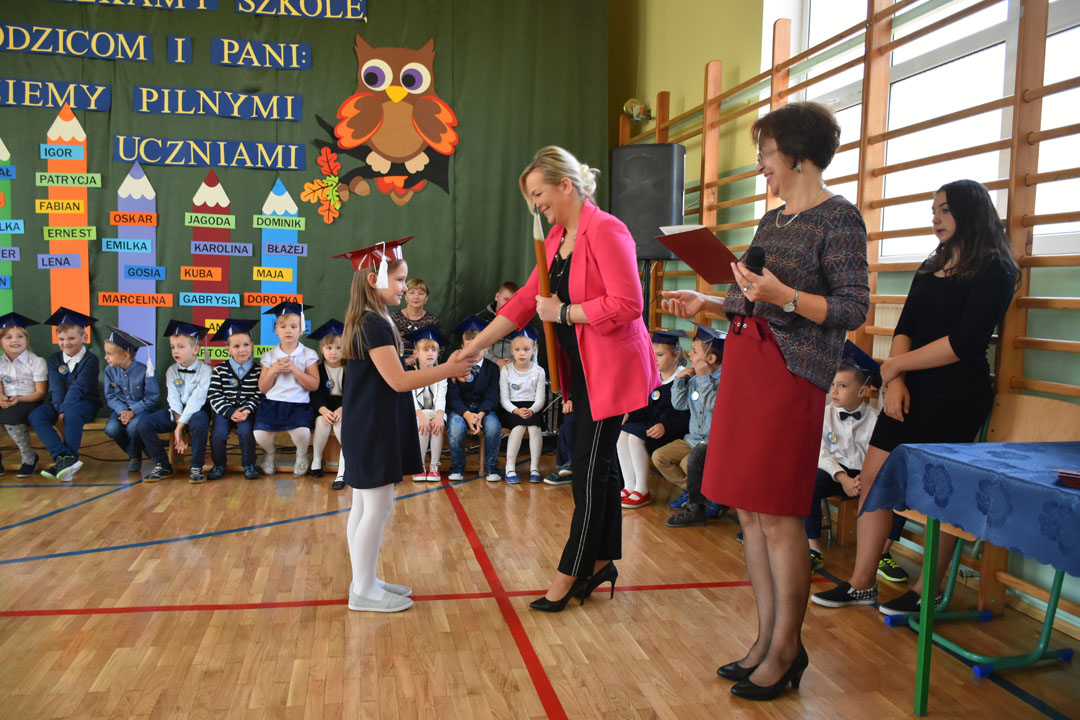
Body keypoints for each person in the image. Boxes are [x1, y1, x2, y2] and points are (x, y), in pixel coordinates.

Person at [662, 102, 869, 700]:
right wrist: (707, 302)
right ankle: (765, 639)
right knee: (750, 514)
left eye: (766, 154)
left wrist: (786, 296)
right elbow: (751, 295)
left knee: (779, 517)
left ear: (798, 155)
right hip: (748, 364)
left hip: (791, 376)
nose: (761, 167)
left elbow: (853, 307)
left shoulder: (839, 217)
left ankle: (787, 648)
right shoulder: (773, 220)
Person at [463, 145, 659, 612]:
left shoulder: (607, 230)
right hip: (582, 370)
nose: (536, 206)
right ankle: (601, 562)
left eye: (539, 195)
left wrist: (566, 312)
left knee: (587, 472)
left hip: (612, 371)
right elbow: (526, 301)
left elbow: (629, 304)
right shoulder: (556, 238)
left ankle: (570, 571)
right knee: (601, 469)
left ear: (565, 185)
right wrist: (475, 347)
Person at [812, 179, 1018, 616]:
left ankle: (929, 589)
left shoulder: (996, 268)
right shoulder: (930, 266)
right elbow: (905, 327)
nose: (935, 218)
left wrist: (896, 367)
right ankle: (862, 583)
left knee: (941, 494)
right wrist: (897, 381)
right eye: (933, 210)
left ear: (970, 212)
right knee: (874, 481)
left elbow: (964, 342)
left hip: (957, 394)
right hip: (909, 389)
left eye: (944, 209)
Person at [335, 239, 475, 612]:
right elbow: (398, 381)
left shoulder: (375, 319)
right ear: (373, 280)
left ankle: (364, 580)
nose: (404, 287)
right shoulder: (372, 323)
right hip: (372, 427)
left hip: (371, 423)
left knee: (364, 506)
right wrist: (448, 369)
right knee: (376, 508)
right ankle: (363, 590)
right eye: (399, 280)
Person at [806, 345, 907, 579]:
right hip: (835, 472)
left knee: (900, 492)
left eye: (842, 386)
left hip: (866, 473)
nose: (834, 391)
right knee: (808, 482)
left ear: (863, 391)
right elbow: (820, 453)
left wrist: (864, 478)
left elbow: (882, 455)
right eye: (833, 384)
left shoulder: (875, 420)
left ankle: (882, 553)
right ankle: (813, 548)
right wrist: (843, 478)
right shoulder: (824, 414)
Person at [650, 324, 722, 512]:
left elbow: (712, 405)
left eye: (695, 352)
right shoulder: (695, 378)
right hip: (693, 440)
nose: (689, 354)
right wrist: (679, 380)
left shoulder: (723, 381)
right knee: (660, 457)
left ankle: (714, 497)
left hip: (712, 443)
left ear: (711, 359)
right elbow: (679, 404)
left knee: (686, 463)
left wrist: (704, 378)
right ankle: (693, 492)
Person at [617, 329, 690, 508]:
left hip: (672, 432)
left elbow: (688, 417)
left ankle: (642, 490)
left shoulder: (684, 380)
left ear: (676, 355)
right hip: (653, 426)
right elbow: (648, 408)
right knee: (622, 434)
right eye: (652, 353)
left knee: (635, 438)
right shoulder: (654, 377)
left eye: (660, 355)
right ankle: (629, 485)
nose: (654, 359)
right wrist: (630, 413)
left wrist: (666, 426)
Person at [29, 307, 101, 482]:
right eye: (61, 339)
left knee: (72, 413)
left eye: (71, 338)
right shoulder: (55, 359)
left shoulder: (90, 359)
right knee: (36, 415)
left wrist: (63, 412)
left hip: (85, 403)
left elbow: (78, 388)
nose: (66, 343)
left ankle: (69, 461)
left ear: (84, 338)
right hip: (58, 402)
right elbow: (56, 388)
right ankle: (63, 458)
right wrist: (60, 410)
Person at [139, 320, 213, 483]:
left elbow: (197, 400)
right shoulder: (172, 370)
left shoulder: (206, 370)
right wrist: (179, 422)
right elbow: (173, 398)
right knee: (144, 424)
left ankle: (196, 466)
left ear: (195, 350)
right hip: (176, 410)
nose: (175, 351)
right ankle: (163, 465)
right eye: (173, 347)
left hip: (198, 410)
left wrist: (180, 427)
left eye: (181, 346)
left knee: (199, 424)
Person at [255, 302, 320, 476]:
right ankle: (270, 453)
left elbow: (314, 385)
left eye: (293, 326)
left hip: (298, 404)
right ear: (276, 329)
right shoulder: (269, 355)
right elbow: (263, 388)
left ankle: (302, 455)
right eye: (283, 326)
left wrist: (294, 369)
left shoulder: (308, 354)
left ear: (301, 329)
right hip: (272, 403)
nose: (288, 331)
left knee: (302, 433)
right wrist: (273, 371)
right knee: (260, 434)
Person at [446, 315, 502, 482]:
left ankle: (491, 467)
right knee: (456, 428)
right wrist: (467, 414)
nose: (473, 352)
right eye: (468, 347)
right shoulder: (455, 367)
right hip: (461, 409)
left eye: (478, 347)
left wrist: (481, 414)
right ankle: (457, 467)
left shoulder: (492, 369)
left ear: (486, 348)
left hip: (484, 410)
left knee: (493, 428)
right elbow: (453, 397)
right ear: (462, 348)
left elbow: (492, 395)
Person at [207, 319, 263, 481]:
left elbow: (259, 394)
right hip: (225, 411)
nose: (242, 350)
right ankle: (219, 464)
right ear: (228, 349)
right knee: (218, 434)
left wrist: (247, 409)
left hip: (246, 412)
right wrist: (230, 411)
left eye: (246, 345)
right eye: (236, 346)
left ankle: (249, 464)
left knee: (246, 433)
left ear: (252, 346)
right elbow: (214, 394)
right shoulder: (220, 370)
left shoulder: (258, 370)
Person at [102, 325, 160, 474]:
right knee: (111, 429)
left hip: (142, 410)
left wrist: (132, 412)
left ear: (125, 356)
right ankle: (135, 452)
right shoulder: (109, 371)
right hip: (121, 410)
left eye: (109, 354)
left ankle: (134, 455)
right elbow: (111, 396)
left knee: (133, 427)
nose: (106, 357)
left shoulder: (145, 371)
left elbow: (152, 398)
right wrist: (122, 411)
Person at [498, 326, 547, 484]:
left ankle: (535, 467)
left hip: (532, 407)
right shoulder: (506, 370)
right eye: (518, 350)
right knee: (518, 428)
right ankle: (510, 467)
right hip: (511, 408)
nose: (522, 353)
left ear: (534, 350)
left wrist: (531, 410)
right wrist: (516, 410)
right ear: (512, 351)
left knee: (534, 428)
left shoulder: (539, 371)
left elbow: (540, 398)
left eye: (526, 349)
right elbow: (504, 399)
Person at [0, 313, 47, 477]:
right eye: (8, 337)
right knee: (7, 411)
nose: (15, 340)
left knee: (11, 416)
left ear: (27, 340)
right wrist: (1, 397)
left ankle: (29, 457)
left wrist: (18, 399)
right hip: (7, 401)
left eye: (20, 336)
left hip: (29, 400)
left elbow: (40, 393)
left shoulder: (37, 361)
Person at [407, 326, 448, 482]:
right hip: (416, 413)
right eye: (425, 350)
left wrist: (439, 416)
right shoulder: (410, 374)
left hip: (435, 411)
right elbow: (411, 399)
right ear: (416, 353)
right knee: (422, 425)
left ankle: (434, 467)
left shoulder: (441, 374)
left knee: (437, 426)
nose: (430, 353)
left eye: (434, 350)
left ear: (438, 354)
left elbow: (441, 398)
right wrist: (420, 415)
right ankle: (419, 466)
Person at [309, 319, 346, 480]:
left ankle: (346, 463)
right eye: (329, 348)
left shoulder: (350, 368)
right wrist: (323, 410)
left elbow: (353, 393)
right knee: (322, 422)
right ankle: (317, 460)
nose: (333, 352)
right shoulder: (317, 369)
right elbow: (315, 393)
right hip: (323, 406)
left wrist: (342, 409)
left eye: (338, 348)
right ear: (322, 349)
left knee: (339, 424)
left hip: (344, 407)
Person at [391, 277, 440, 367]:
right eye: (412, 292)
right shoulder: (395, 318)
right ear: (405, 296)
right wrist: (404, 361)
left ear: (426, 298)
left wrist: (419, 360)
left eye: (421, 293)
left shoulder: (431, 320)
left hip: (425, 366)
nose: (416, 297)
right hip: (398, 366)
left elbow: (439, 348)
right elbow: (388, 346)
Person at [477, 281, 521, 368]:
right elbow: (473, 346)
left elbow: (530, 348)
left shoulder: (522, 321)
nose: (509, 304)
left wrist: (515, 360)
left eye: (513, 301)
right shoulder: (481, 318)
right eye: (506, 299)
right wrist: (495, 361)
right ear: (497, 296)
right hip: (486, 368)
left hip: (513, 368)